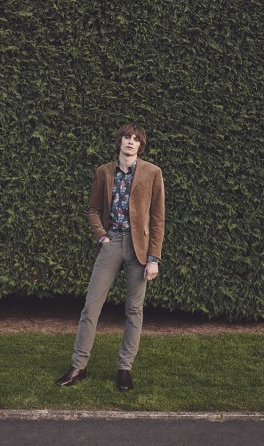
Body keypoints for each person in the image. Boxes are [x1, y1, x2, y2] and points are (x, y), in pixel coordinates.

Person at [56, 123, 165, 392]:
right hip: (112, 242)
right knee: (91, 306)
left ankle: (124, 369)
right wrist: (102, 236)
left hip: (139, 249)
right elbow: (92, 209)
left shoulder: (152, 173)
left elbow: (158, 218)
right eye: (127, 137)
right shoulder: (103, 172)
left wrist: (154, 258)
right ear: (119, 142)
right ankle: (78, 366)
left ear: (141, 145)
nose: (130, 142)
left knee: (134, 310)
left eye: (136, 139)